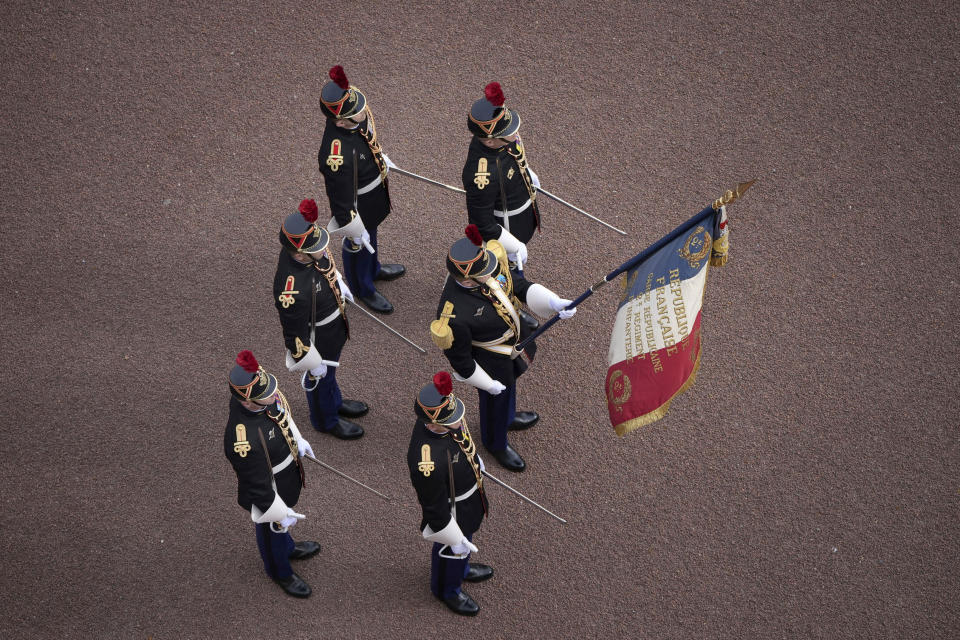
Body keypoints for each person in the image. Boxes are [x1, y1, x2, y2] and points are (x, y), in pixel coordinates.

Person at [430, 225, 576, 472]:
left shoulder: (485, 267)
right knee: (494, 399)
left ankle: (507, 418)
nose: (491, 271)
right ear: (465, 279)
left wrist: (552, 302)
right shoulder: (453, 313)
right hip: (488, 360)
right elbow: (460, 359)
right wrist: (485, 383)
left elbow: (516, 285)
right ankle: (495, 441)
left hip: (511, 343)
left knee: (509, 387)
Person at [223, 350, 321, 598]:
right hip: (269, 492)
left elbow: (282, 415)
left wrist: (298, 440)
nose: (273, 395)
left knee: (280, 532)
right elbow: (256, 485)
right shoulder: (242, 438)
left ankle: (287, 547)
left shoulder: (262, 400)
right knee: (271, 530)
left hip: (285, 476)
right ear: (246, 402)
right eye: (265, 395)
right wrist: (277, 510)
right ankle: (279, 571)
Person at [273, 198, 368, 440]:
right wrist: (309, 361)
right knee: (320, 378)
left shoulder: (309, 255)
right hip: (317, 338)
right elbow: (293, 333)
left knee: (330, 375)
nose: (323, 248)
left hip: (332, 326)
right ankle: (325, 420)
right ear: (300, 253)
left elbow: (323, 265)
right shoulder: (291, 289)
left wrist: (337, 280)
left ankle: (333, 402)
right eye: (315, 247)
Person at [318, 64, 404, 314]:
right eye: (355, 112)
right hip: (357, 204)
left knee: (373, 233)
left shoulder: (356, 121)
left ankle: (373, 269)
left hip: (373, 195)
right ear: (340, 121)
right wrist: (352, 229)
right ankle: (363, 287)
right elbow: (340, 198)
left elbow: (367, 141)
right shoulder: (336, 154)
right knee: (359, 243)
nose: (363, 111)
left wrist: (379, 158)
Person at [407, 371, 492, 616]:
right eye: (450, 421)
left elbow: (461, 439)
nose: (458, 422)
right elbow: (434, 508)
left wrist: (475, 459)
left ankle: (461, 569)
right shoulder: (426, 461)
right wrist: (452, 538)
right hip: (452, 510)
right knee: (451, 549)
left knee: (466, 540)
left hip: (468, 498)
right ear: (431, 423)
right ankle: (447, 589)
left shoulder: (444, 422)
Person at [461, 81, 542, 330]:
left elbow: (516, 157)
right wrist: (512, 243)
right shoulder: (481, 174)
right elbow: (482, 222)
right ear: (488, 141)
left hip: (520, 214)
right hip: (504, 230)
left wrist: (528, 173)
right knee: (504, 271)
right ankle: (509, 309)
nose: (515, 133)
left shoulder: (505, 140)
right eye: (507, 131)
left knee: (514, 267)